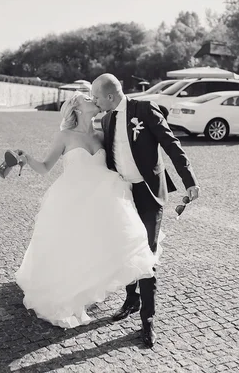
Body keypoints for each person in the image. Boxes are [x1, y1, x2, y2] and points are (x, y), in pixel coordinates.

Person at [14, 92, 158, 330]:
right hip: (71, 200)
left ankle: (132, 300)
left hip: (104, 200)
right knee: (70, 248)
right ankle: (66, 293)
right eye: (87, 98)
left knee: (113, 244)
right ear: (77, 108)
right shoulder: (64, 136)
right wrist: (27, 159)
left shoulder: (102, 133)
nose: (94, 100)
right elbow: (45, 167)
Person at [92, 73, 199, 347]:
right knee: (126, 247)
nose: (94, 102)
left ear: (110, 96)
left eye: (96, 97)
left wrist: (189, 182)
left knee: (146, 253)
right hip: (122, 193)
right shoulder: (105, 119)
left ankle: (147, 319)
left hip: (148, 193)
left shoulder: (144, 109)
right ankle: (131, 298)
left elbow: (171, 144)